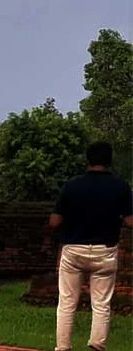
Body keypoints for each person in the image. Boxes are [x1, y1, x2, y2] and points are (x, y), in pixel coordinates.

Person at [48, 141, 132, 351]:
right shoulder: (120, 186)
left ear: (87, 160)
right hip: (105, 250)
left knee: (67, 302)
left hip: (74, 248)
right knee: (101, 304)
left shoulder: (72, 185)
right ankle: (96, 344)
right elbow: (131, 221)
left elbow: (55, 222)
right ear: (110, 161)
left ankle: (63, 347)